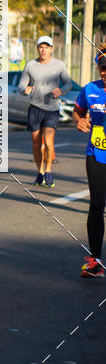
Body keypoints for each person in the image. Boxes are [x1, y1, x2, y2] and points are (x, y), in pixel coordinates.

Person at [19, 36, 72, 188]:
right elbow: (21, 86)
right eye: (41, 47)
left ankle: (48, 171)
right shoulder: (30, 65)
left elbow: (68, 83)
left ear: (51, 49)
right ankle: (40, 172)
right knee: (36, 144)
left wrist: (61, 90)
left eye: (46, 47)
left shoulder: (59, 65)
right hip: (35, 108)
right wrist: (25, 90)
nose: (43, 50)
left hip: (52, 109)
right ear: (38, 49)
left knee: (48, 142)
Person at [72, 44, 106, 278]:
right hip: (96, 154)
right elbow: (78, 110)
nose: (104, 72)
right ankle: (95, 261)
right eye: (101, 68)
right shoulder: (90, 89)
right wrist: (80, 121)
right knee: (96, 205)